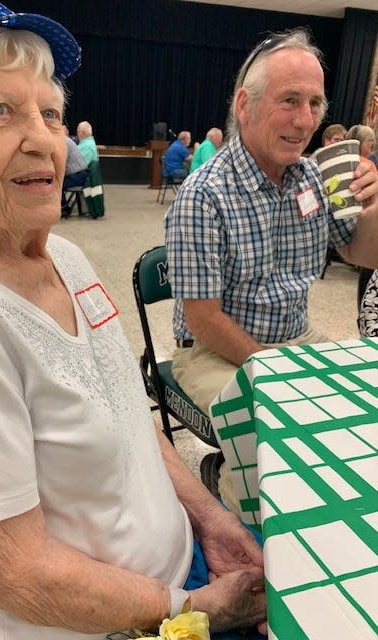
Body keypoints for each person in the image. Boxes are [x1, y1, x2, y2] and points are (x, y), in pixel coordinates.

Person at [0, 1, 267, 639]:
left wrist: (213, 521)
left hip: (183, 573)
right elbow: (11, 573)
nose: (44, 138)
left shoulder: (67, 256)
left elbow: (128, 411)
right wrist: (196, 613)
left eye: (49, 113)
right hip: (117, 626)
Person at [164, 29, 378, 512]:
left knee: (363, 406)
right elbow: (203, 320)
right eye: (289, 100)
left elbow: (364, 254)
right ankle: (243, 528)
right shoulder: (205, 195)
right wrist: (278, 370)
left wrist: (375, 201)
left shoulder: (313, 178)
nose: (305, 120)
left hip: (294, 339)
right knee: (277, 428)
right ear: (246, 106)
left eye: (315, 103)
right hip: (213, 353)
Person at [61, 126, 89, 217]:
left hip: (79, 176)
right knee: (57, 181)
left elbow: (62, 165)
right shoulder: (66, 140)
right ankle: (63, 205)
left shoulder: (64, 142)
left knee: (57, 184)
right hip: (80, 174)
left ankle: (63, 208)